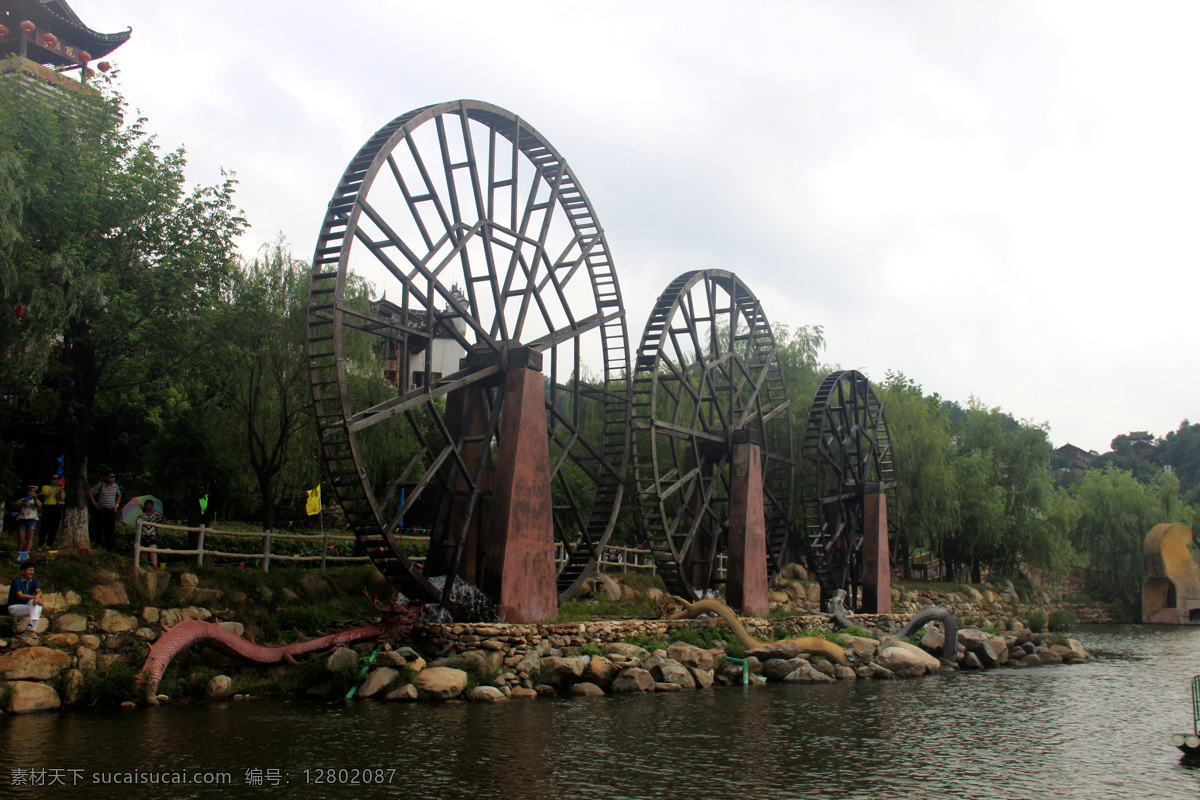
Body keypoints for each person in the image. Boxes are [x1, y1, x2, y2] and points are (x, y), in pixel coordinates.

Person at [7, 562, 42, 637]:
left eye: (32, 570)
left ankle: (30, 629)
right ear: (23, 571)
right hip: (14, 608)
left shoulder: (33, 581)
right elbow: (20, 595)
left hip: (27, 607)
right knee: (35, 605)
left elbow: (39, 591)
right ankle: (30, 627)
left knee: (38, 607)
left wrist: (37, 597)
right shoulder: (17, 581)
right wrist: (35, 598)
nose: (32, 572)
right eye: (30, 570)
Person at [88, 472, 121, 550]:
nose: (112, 478)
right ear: (106, 477)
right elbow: (90, 492)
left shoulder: (115, 486)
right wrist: (94, 503)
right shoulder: (101, 485)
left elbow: (119, 495)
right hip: (102, 509)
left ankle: (109, 547)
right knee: (99, 528)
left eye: (114, 477)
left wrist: (116, 504)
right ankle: (98, 545)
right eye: (111, 477)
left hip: (111, 510)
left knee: (110, 529)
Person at [13, 485, 40, 562]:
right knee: (21, 538)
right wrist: (22, 504)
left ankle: (25, 554)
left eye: (33, 492)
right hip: (22, 519)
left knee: (29, 537)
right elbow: (16, 507)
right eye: (30, 491)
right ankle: (19, 554)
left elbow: (38, 505)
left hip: (32, 520)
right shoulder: (22, 500)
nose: (31, 493)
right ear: (27, 492)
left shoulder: (35, 500)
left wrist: (35, 499)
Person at [37, 475, 64, 550]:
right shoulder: (45, 487)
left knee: (54, 527)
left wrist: (61, 489)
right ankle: (40, 545)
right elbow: (47, 494)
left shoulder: (59, 488)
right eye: (54, 478)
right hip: (47, 506)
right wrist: (55, 487)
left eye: (58, 479)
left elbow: (62, 498)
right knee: (44, 527)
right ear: (51, 479)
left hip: (56, 507)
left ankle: (48, 545)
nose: (56, 480)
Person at [136, 499, 164, 569]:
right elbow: (137, 524)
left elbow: (163, 519)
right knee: (143, 551)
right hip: (143, 535)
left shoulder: (156, 514)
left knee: (153, 550)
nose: (149, 506)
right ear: (145, 506)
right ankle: (144, 565)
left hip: (152, 535)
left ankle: (155, 566)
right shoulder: (141, 515)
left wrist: (158, 526)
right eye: (147, 505)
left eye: (150, 505)